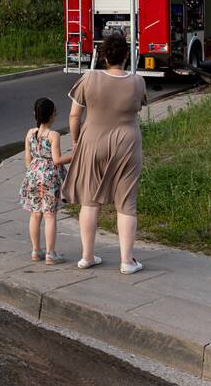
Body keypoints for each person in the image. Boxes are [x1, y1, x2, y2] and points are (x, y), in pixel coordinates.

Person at [62, 34, 147, 275]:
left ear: (103, 56)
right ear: (126, 56)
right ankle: (126, 261)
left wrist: (77, 141)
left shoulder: (89, 79)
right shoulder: (137, 81)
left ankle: (87, 256)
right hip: (127, 144)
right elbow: (137, 108)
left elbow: (73, 116)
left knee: (89, 201)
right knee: (126, 203)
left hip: (92, 141)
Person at [19, 98, 72, 264]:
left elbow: (27, 158)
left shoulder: (29, 133)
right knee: (50, 215)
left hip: (33, 174)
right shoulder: (53, 135)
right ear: (52, 116)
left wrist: (33, 171)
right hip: (49, 177)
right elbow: (57, 160)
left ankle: (36, 251)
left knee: (35, 214)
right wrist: (75, 156)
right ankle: (51, 254)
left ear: (35, 114)